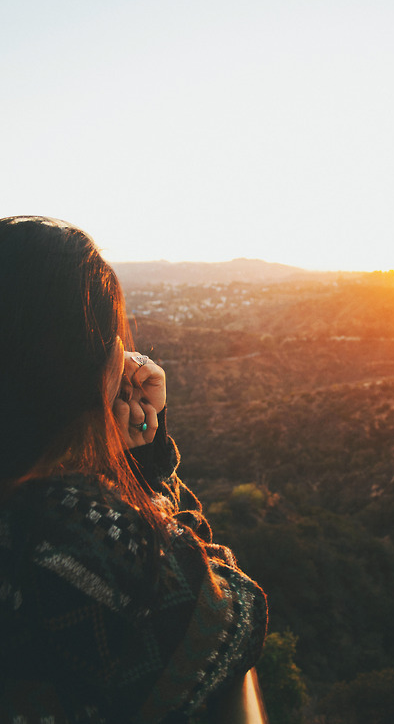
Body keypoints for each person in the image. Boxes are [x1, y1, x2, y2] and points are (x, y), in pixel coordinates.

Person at [0, 216, 267, 723]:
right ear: (84, 372)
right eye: (112, 344)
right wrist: (137, 466)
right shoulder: (79, 540)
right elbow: (237, 613)